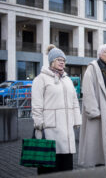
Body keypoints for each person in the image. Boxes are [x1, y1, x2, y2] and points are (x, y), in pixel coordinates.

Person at [31, 44, 82, 175]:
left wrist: (77, 120)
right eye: (59, 60)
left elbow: (75, 101)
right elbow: (36, 105)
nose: (62, 62)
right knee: (49, 166)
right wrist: (38, 124)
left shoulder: (67, 80)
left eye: (63, 60)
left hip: (67, 128)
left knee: (66, 165)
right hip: (49, 127)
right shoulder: (40, 79)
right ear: (52, 61)